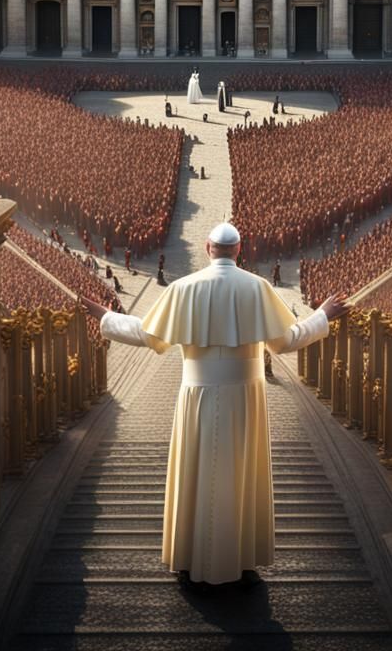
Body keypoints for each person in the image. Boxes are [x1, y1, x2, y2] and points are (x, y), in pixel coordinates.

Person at [79, 222, 348, 587]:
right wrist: (323, 316)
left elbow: (147, 335)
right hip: (245, 395)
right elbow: (287, 342)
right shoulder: (257, 287)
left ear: (208, 248)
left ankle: (192, 555)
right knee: (240, 472)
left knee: (198, 469)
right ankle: (240, 556)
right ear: (240, 249)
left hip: (198, 393)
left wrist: (104, 317)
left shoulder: (183, 288)